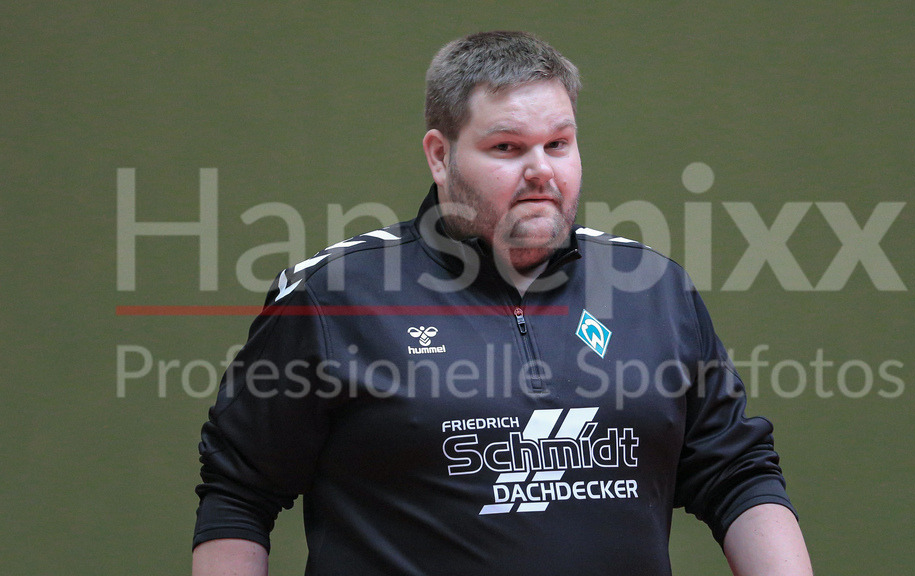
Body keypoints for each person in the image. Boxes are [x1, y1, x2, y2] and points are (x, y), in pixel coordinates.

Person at [192, 31, 813, 576]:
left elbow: (738, 474)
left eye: (559, 144)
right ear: (440, 155)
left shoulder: (653, 289)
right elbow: (238, 494)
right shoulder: (335, 298)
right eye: (508, 148)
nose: (542, 171)